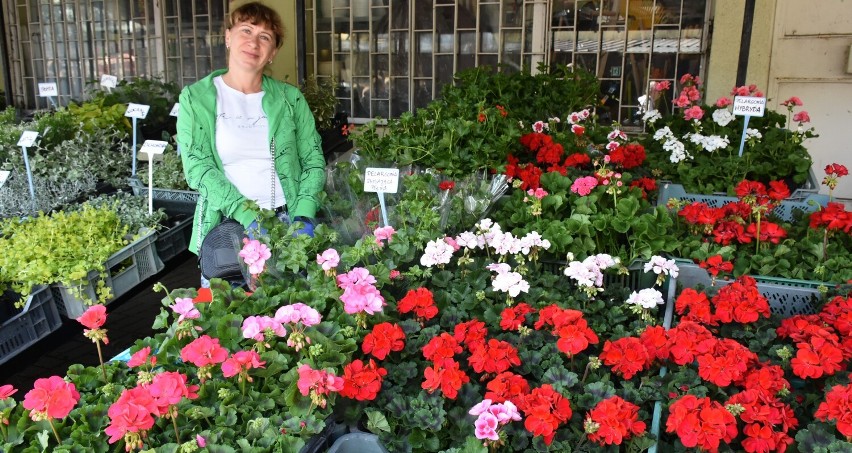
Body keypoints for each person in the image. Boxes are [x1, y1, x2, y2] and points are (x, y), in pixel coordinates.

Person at [176, 2, 325, 285]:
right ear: (228, 36)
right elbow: (198, 168)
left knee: (293, 319)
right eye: (246, 30)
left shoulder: (290, 99)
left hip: (288, 225)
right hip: (227, 229)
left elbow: (314, 160)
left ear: (273, 52)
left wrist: (304, 215)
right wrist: (246, 214)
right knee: (229, 322)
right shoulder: (196, 98)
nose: (253, 42)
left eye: (265, 37)